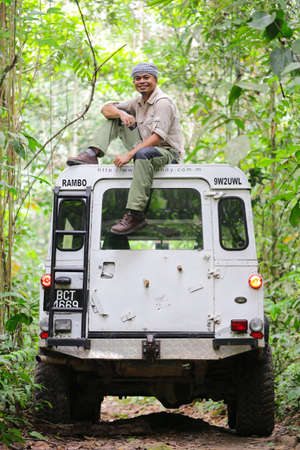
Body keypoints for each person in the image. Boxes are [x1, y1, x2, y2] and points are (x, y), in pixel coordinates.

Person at [67, 62, 184, 235]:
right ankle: (93, 153)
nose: (142, 81)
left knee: (143, 154)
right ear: (134, 82)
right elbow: (105, 109)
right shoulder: (137, 102)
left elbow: (158, 137)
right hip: (145, 147)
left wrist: (129, 154)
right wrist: (121, 113)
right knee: (114, 118)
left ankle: (136, 213)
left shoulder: (163, 102)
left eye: (146, 77)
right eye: (138, 78)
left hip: (167, 152)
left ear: (156, 80)